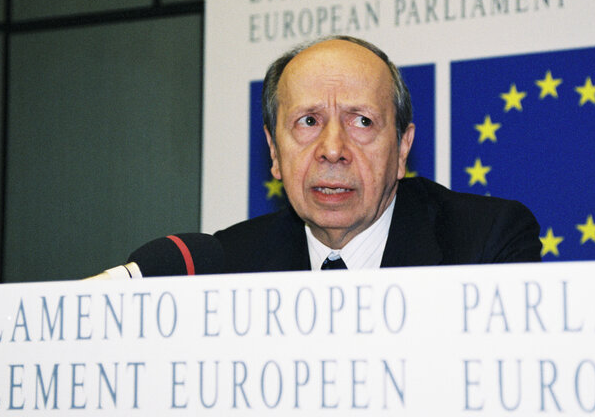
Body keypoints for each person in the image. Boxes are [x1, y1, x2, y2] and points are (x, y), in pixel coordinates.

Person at [214, 35, 541, 271]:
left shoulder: (486, 244)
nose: (332, 150)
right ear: (274, 150)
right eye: (309, 121)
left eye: (362, 121)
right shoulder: (229, 262)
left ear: (402, 148)